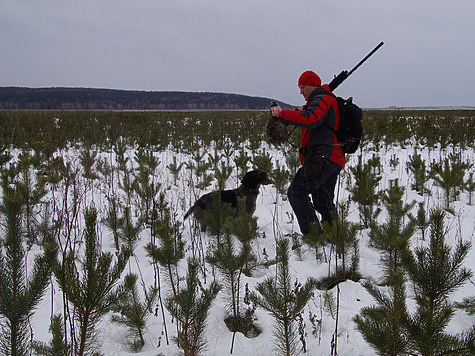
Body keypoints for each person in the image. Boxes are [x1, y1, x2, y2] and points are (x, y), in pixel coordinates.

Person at [270, 70, 345, 235]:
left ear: (313, 85)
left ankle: (314, 238)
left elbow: (312, 119)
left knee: (297, 192)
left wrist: (283, 114)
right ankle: (336, 237)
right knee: (323, 200)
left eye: (303, 87)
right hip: (332, 158)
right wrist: (297, 113)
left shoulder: (323, 99)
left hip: (323, 158)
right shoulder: (319, 101)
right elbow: (310, 116)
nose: (301, 91)